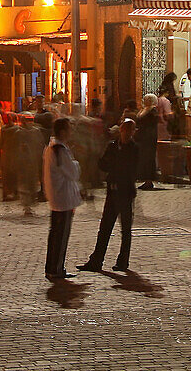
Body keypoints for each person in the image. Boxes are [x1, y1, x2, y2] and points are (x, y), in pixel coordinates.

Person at [77, 118, 139, 272]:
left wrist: (115, 166)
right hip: (112, 190)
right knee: (105, 228)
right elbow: (102, 164)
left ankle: (123, 261)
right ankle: (96, 260)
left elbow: (131, 169)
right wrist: (113, 165)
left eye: (130, 131)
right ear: (121, 131)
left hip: (125, 192)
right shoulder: (112, 146)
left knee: (125, 229)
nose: (127, 134)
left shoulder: (134, 148)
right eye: (125, 130)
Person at [43, 117, 81, 280]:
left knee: (55, 234)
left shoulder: (52, 148)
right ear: (63, 131)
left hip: (57, 197)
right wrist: (76, 163)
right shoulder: (60, 150)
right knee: (60, 235)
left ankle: (53, 266)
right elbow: (73, 172)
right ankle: (56, 268)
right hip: (62, 198)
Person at [134, 94, 159, 190]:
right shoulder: (144, 109)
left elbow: (150, 123)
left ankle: (149, 180)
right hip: (142, 137)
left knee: (149, 158)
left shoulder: (152, 111)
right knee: (143, 158)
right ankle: (146, 180)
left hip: (149, 137)